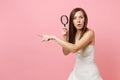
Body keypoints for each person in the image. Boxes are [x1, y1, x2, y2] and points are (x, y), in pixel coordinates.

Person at [38, 7, 103, 80]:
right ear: (72, 21)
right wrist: (65, 37)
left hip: (90, 75)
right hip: (77, 74)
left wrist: (54, 37)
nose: (78, 20)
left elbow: (74, 48)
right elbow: (65, 52)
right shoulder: (73, 34)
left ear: (85, 19)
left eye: (81, 17)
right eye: (75, 18)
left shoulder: (90, 33)